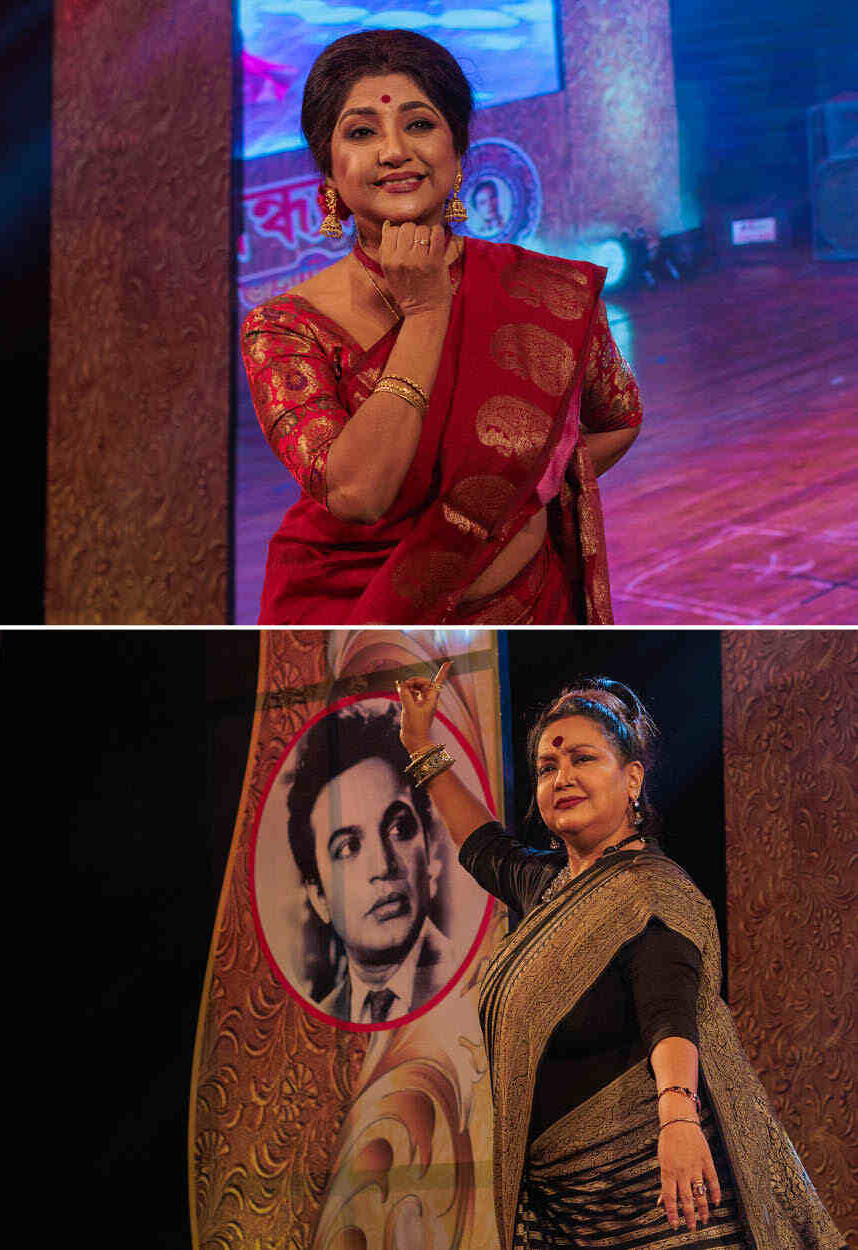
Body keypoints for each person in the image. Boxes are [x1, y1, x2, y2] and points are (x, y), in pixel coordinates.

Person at [393, 663, 845, 1250]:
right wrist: (421, 744)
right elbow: (485, 847)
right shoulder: (555, 889)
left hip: (661, 1206)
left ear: (631, 779)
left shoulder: (648, 892)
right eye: (547, 767)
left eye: (584, 759)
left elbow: (671, 1013)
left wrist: (678, 1118)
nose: (562, 777)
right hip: (570, 1212)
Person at [242, 29, 642, 625]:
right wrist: (427, 311)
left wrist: (510, 496)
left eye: (420, 124)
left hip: (530, 616)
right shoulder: (285, 330)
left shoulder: (545, 292)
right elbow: (357, 494)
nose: (394, 150)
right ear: (329, 173)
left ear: (458, 154)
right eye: (361, 132)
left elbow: (619, 420)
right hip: (361, 622)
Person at [286, 704, 457, 1024]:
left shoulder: (472, 983)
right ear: (319, 898)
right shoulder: (319, 1019)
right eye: (348, 847)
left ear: (430, 850)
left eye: (399, 830)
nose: (383, 866)